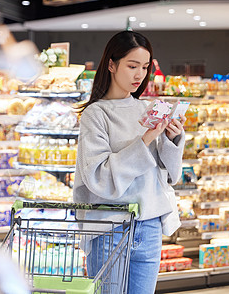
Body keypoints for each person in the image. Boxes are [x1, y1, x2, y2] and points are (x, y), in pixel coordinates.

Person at [73, 30, 186, 294]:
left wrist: (173, 139)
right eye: (132, 66)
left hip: (149, 225)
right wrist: (145, 141)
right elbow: (98, 177)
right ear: (111, 64)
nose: (139, 75)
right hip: (110, 227)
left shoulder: (147, 110)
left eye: (145, 67)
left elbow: (169, 175)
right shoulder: (95, 114)